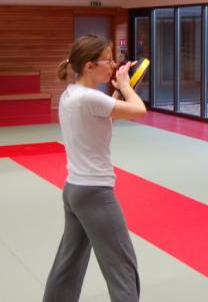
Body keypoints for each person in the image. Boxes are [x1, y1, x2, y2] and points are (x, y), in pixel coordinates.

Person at [43, 34, 146, 302]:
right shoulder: (89, 98)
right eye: (107, 61)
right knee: (122, 268)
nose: (112, 65)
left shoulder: (71, 95)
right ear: (89, 66)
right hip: (95, 194)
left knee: (68, 264)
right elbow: (139, 110)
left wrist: (122, 88)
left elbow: (105, 120)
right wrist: (126, 84)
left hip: (74, 190)